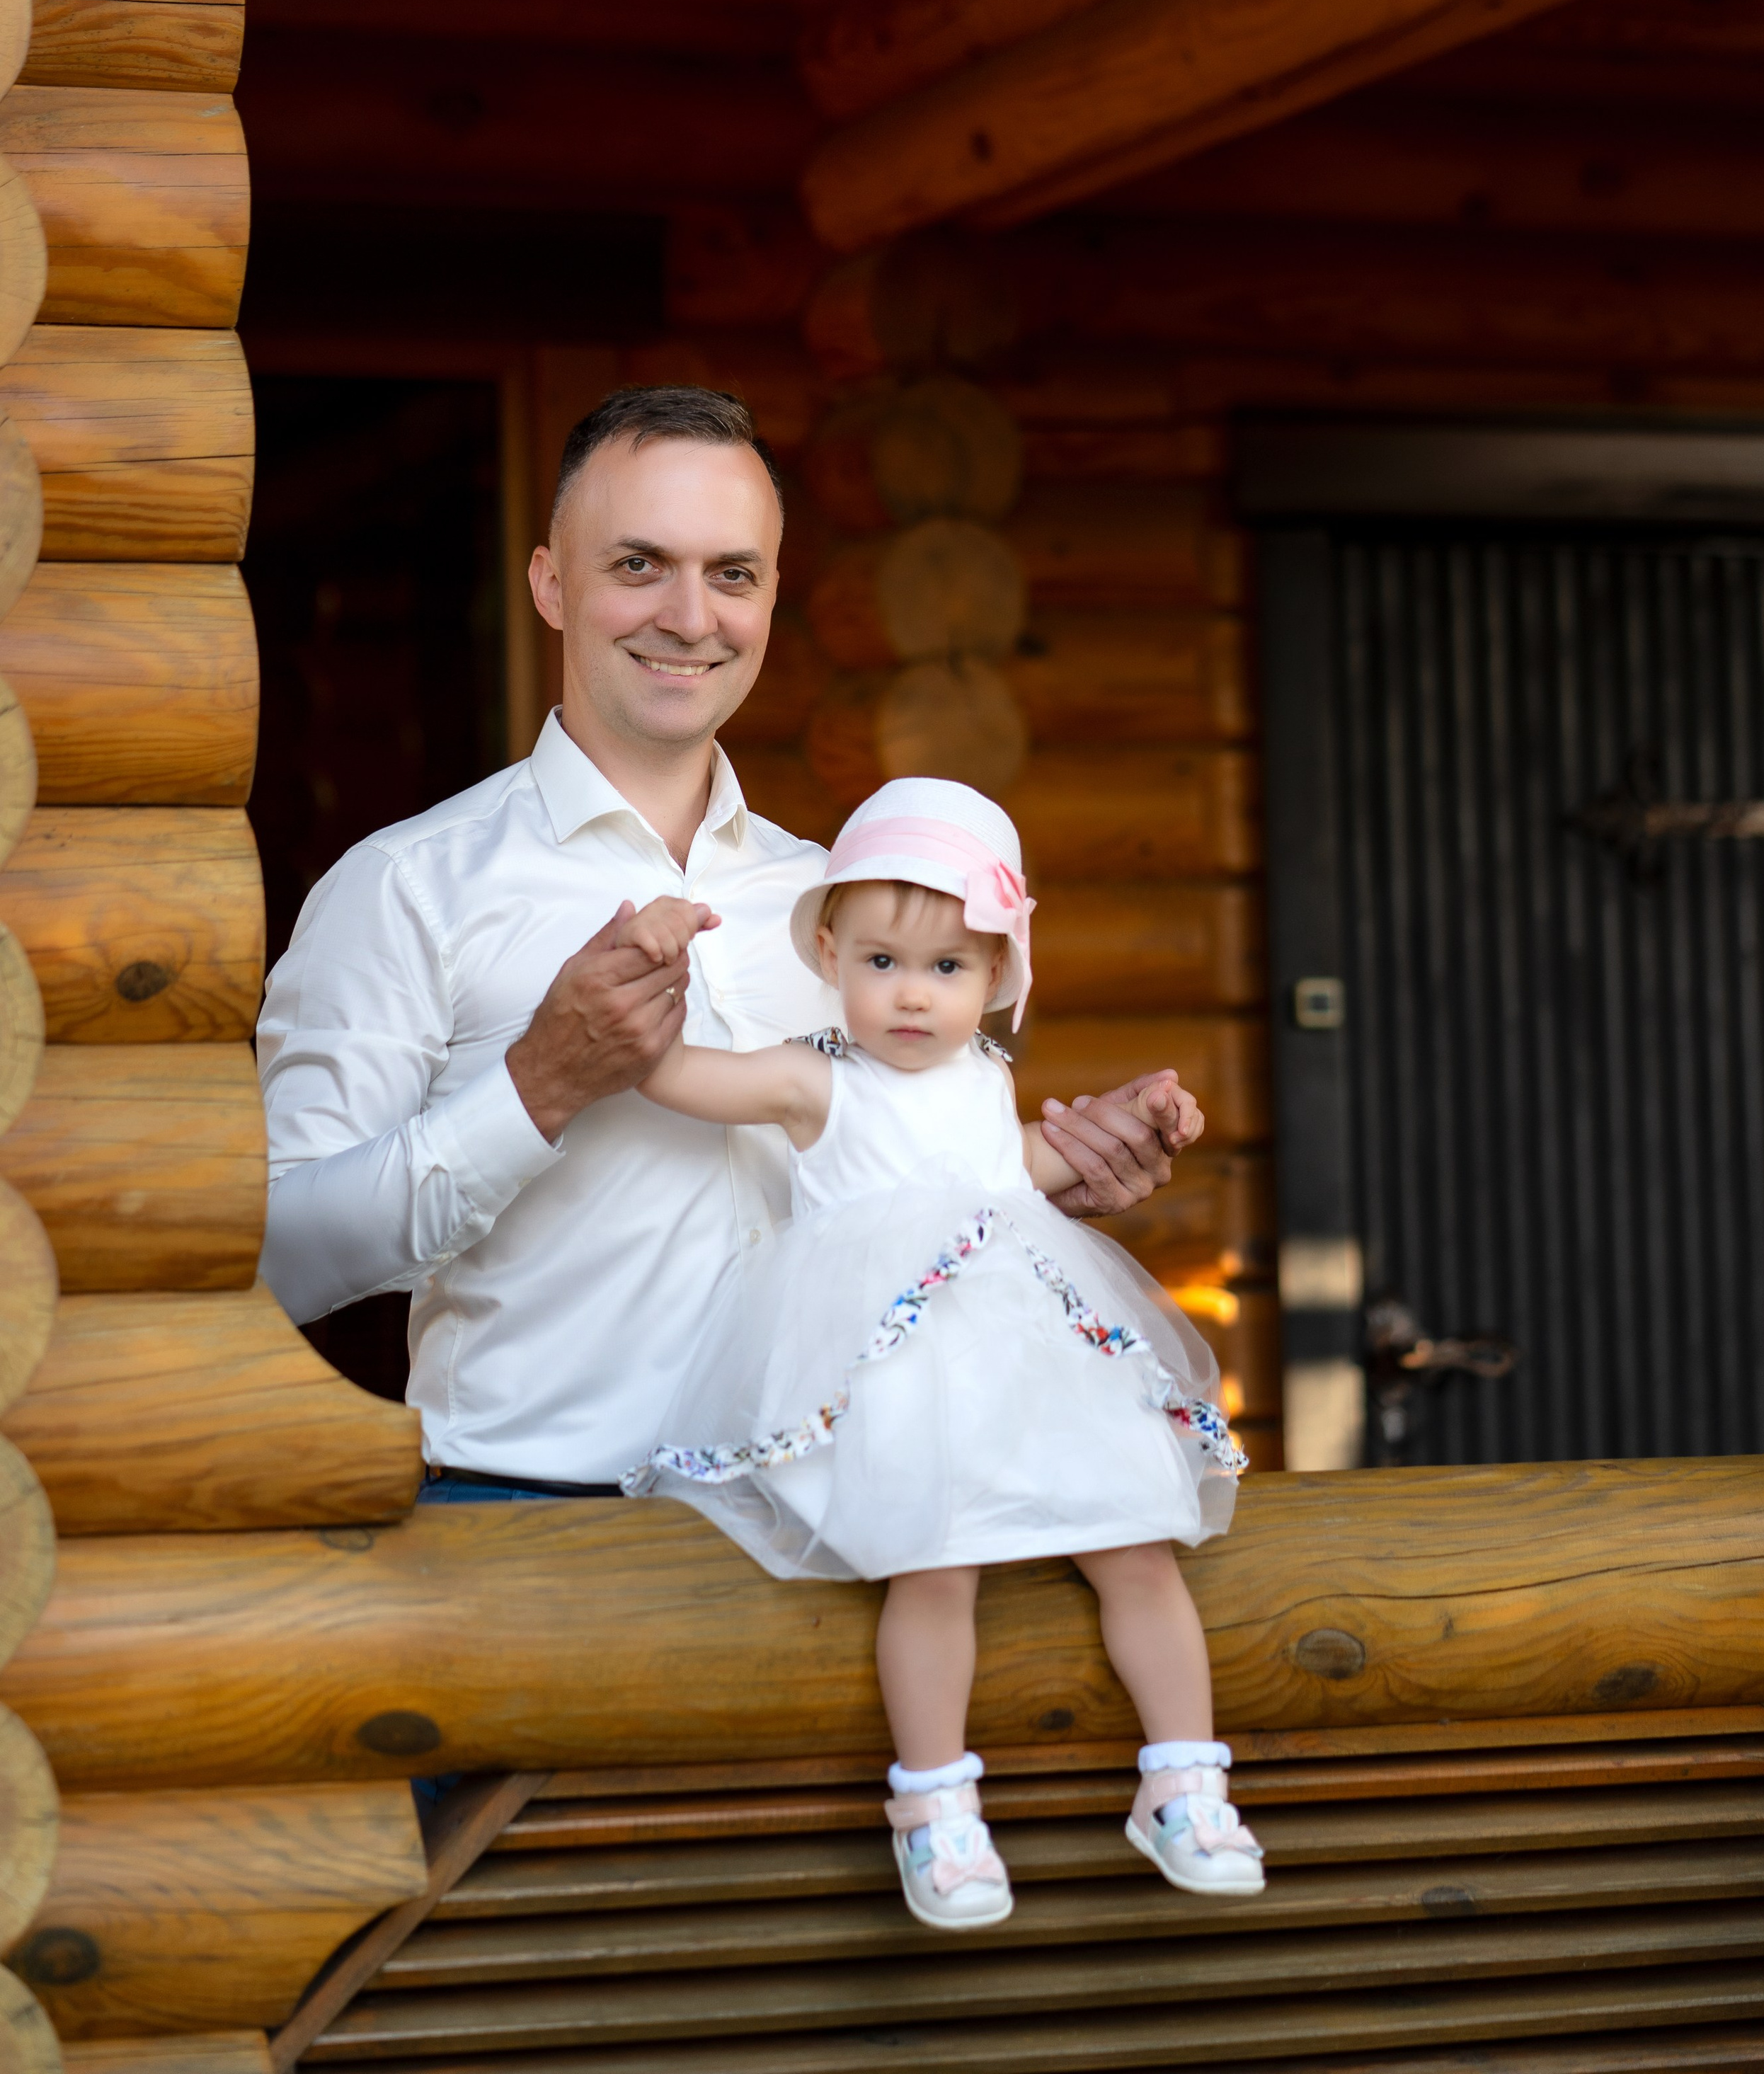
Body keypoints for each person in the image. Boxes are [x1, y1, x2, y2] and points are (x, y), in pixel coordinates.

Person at [258, 385, 1200, 1497]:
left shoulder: (842, 902)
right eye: (639, 565)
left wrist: (1033, 1182)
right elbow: (278, 1259)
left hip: (836, 1519)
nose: (692, 617)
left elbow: (892, 1189)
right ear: (551, 585)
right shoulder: (405, 887)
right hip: (535, 1527)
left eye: (732, 574)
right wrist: (536, 1088)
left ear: (771, 598)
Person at [619, 776, 1263, 1934]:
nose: (911, 997)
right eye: (880, 964)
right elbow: (672, 1077)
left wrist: (1146, 1114)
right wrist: (647, 975)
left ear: (1001, 976)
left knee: (1139, 1544)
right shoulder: (815, 1081)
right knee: (933, 1564)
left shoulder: (987, 1087)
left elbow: (1029, 1176)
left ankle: (1185, 1778)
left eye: (948, 970)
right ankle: (933, 1807)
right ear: (828, 950)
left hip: (1032, 1366)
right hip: (904, 1382)